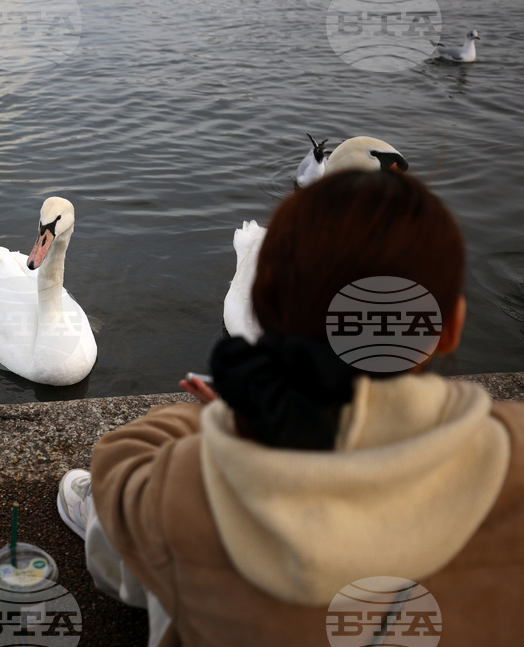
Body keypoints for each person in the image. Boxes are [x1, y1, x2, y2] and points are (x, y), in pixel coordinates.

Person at [57, 169, 524, 645]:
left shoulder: (188, 483)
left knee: (142, 530)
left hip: (190, 532)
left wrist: (221, 419)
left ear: (264, 309)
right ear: (451, 326)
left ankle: (132, 543)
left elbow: (119, 471)